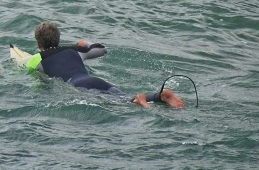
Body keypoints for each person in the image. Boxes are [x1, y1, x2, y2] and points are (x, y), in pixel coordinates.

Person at [25, 22, 183, 108]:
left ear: (38, 43)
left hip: (78, 87)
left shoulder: (36, 59)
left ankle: (141, 104)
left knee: (119, 104)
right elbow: (101, 50)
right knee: (123, 97)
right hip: (94, 80)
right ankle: (159, 96)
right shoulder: (75, 51)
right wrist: (86, 43)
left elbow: (34, 78)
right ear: (58, 39)